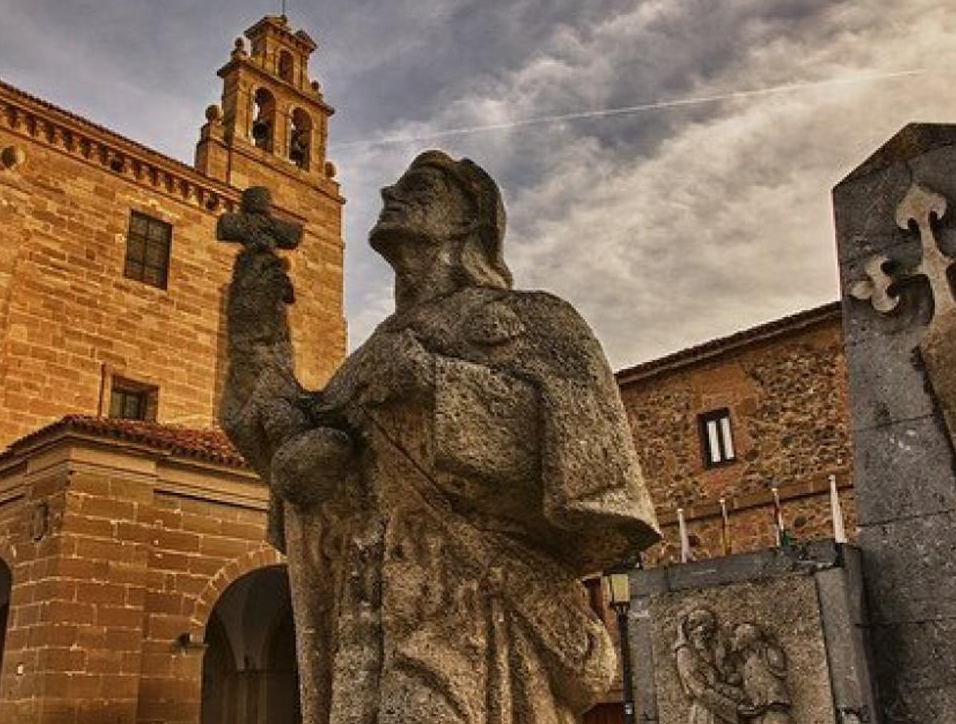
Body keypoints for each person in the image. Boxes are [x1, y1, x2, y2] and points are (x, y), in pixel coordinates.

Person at [222, 150, 660, 724]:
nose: (388, 193)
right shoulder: (370, 357)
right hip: (367, 612)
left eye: (420, 185)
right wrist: (257, 336)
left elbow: (590, 456)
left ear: (467, 222)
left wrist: (434, 383)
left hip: (469, 607)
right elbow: (280, 434)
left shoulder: (536, 320)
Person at [673, 608, 750, 724]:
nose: (708, 636)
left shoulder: (709, 651)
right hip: (706, 713)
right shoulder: (685, 653)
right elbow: (700, 691)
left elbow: (721, 677)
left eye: (710, 632)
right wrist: (734, 708)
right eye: (705, 632)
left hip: (722, 710)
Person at [730, 623, 792, 724]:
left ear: (745, 638)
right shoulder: (748, 665)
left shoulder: (766, 654)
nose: (733, 641)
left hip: (774, 714)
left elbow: (778, 666)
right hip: (760, 717)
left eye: (736, 636)